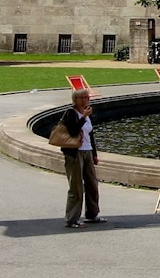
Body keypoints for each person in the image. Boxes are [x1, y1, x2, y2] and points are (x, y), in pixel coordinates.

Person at [58, 89, 102, 228]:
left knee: (92, 184)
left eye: (87, 98)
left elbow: (90, 135)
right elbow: (73, 131)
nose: (85, 100)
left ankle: (92, 214)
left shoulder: (87, 112)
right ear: (75, 99)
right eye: (82, 98)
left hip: (87, 151)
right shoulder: (71, 113)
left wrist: (94, 154)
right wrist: (83, 117)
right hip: (74, 153)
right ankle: (72, 219)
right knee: (76, 187)